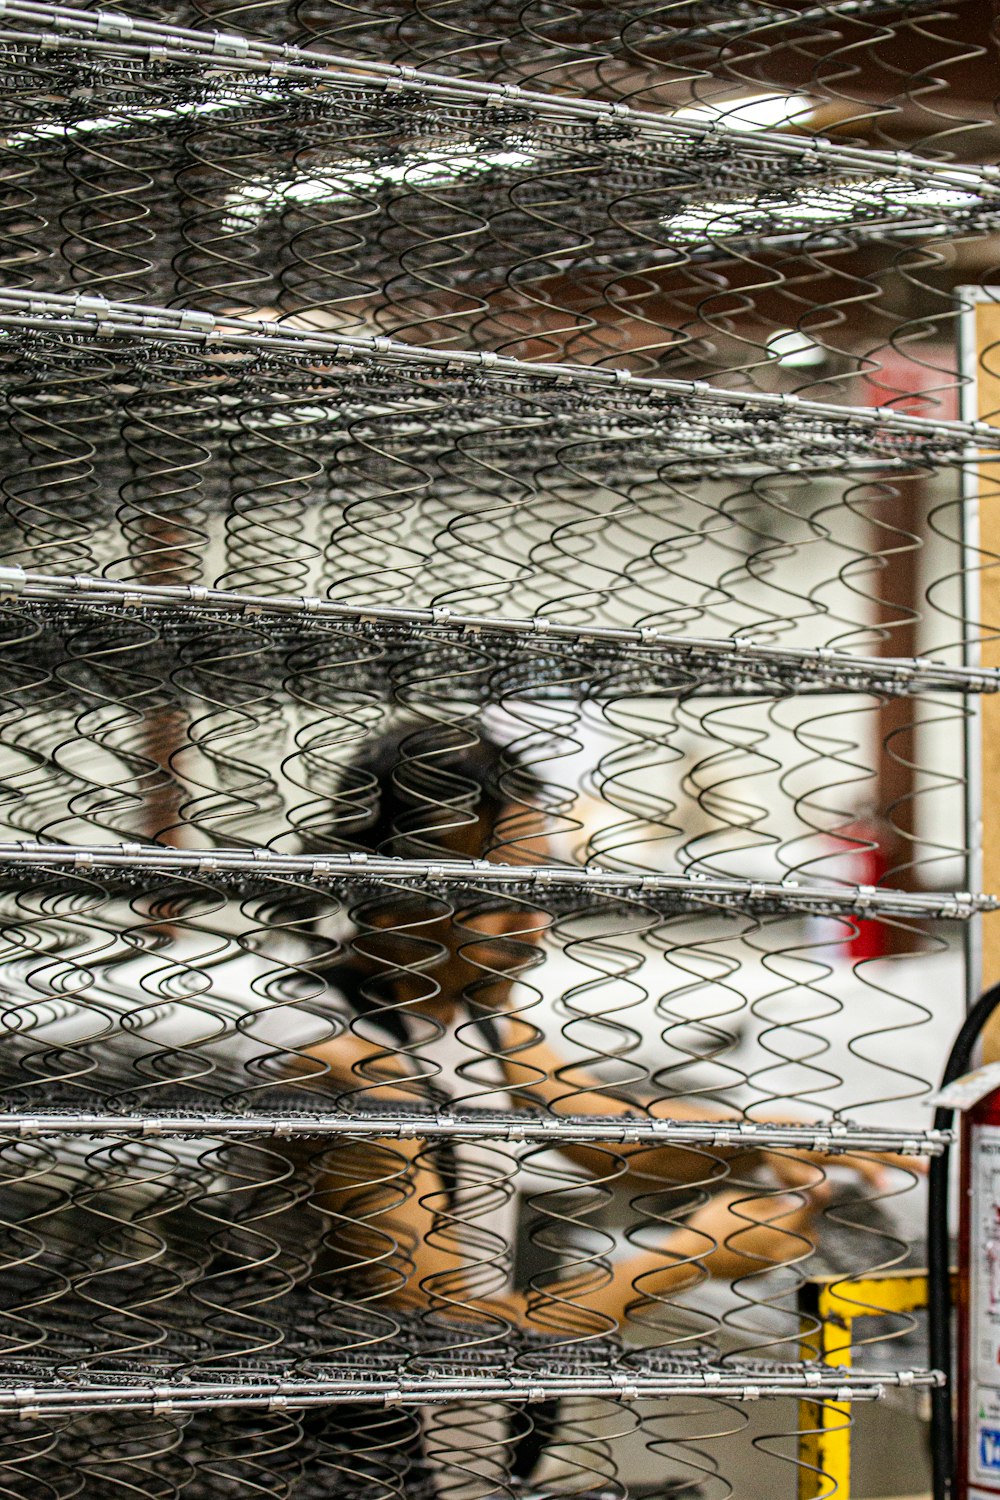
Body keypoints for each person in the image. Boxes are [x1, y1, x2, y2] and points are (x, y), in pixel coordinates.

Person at [296, 721, 918, 1334]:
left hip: (455, 1432)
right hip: (339, 1432)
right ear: (392, 884)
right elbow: (450, 1333)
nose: (529, 924)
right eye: (493, 893)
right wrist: (686, 1260)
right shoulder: (339, 1057)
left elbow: (608, 1134)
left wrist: (760, 1138)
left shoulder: (470, 1019)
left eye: (538, 887)